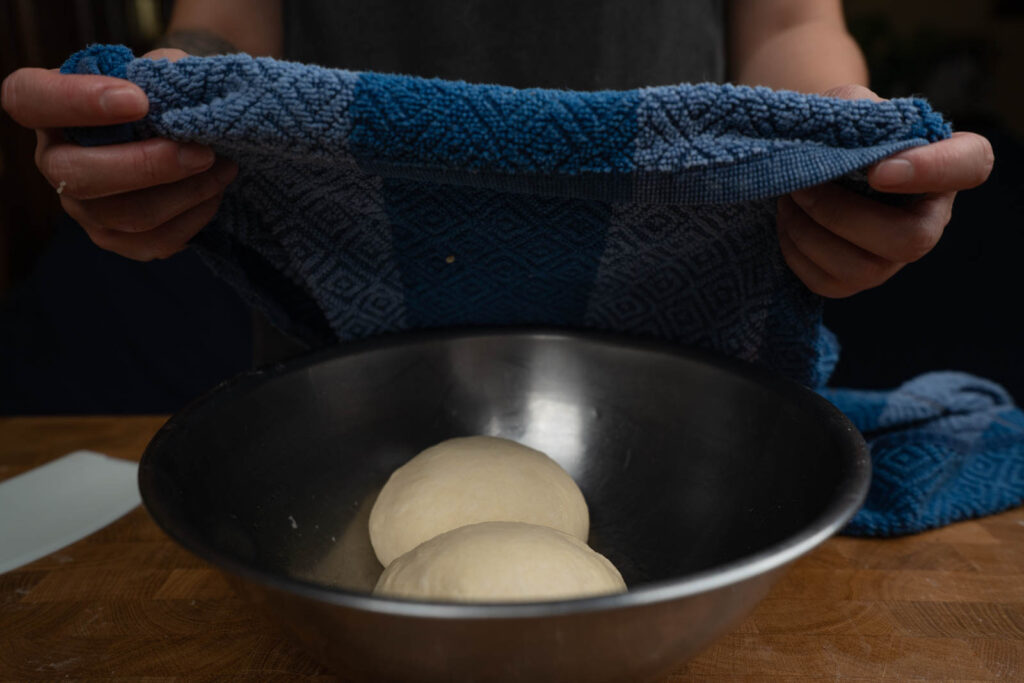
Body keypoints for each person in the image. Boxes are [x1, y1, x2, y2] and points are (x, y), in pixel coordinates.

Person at [1, 0, 994, 301]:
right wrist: (155, 104)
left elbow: (788, 26)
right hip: (349, 332)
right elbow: (227, 28)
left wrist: (846, 139)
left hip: (685, 327)